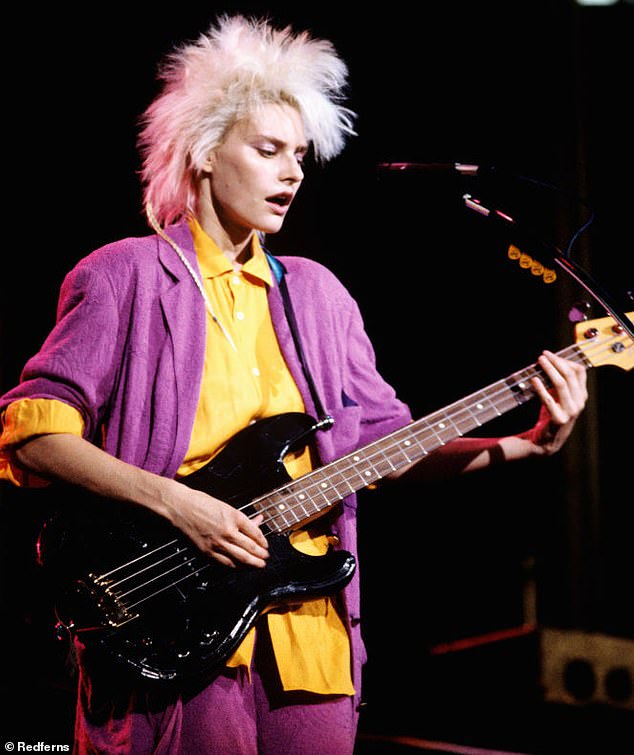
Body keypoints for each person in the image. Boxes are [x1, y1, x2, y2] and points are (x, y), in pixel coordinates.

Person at [0, 14, 588, 755]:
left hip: (310, 644)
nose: (292, 172)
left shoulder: (318, 296)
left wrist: (528, 443)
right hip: (169, 622)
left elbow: (385, 451)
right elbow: (36, 436)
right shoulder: (122, 275)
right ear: (207, 153)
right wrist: (181, 505)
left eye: (301, 155)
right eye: (269, 149)